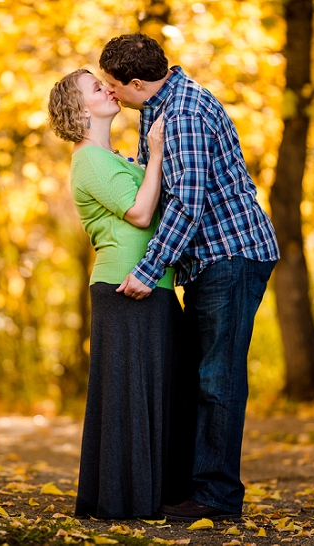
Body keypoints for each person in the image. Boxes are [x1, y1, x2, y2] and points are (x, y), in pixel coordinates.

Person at [98, 34, 280, 522]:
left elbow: (187, 204)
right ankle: (195, 487)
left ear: (138, 82)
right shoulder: (158, 108)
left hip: (232, 256)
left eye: (114, 86)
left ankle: (217, 498)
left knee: (217, 380)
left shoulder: (184, 115)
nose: (110, 93)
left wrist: (148, 269)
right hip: (208, 261)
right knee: (200, 377)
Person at [47, 69, 191, 519]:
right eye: (95, 87)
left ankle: (156, 494)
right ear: (79, 108)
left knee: (163, 395)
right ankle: (122, 500)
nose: (107, 88)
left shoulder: (117, 159)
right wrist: (157, 152)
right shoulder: (89, 160)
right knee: (130, 398)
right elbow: (142, 213)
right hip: (122, 289)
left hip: (156, 284)